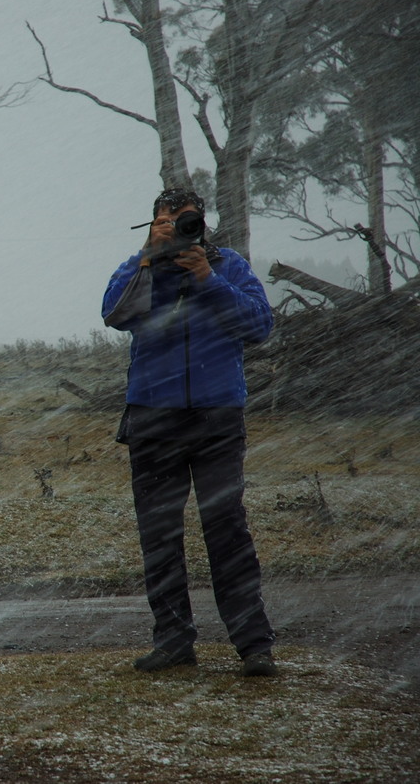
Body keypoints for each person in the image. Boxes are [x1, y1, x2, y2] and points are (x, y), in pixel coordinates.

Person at [102, 188, 278, 677]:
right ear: (153, 223)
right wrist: (146, 260)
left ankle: (254, 646)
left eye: (186, 220)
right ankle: (173, 641)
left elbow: (260, 326)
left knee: (228, 531)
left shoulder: (229, 267)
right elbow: (115, 315)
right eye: (167, 220)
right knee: (160, 536)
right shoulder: (138, 267)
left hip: (217, 416)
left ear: (202, 222)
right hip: (153, 417)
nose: (178, 228)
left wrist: (207, 279)